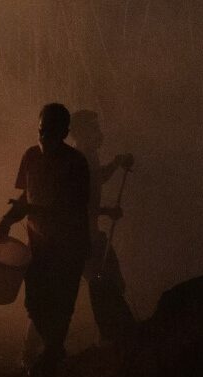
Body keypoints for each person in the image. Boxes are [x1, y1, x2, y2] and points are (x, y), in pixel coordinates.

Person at [0, 104, 90, 377]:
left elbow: (73, 209)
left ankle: (49, 366)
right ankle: (54, 353)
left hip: (69, 246)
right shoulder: (31, 157)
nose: (44, 139)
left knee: (61, 305)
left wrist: (30, 212)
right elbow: (27, 196)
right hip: (39, 245)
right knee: (34, 302)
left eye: (50, 133)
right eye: (41, 132)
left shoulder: (75, 163)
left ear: (64, 133)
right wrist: (7, 219)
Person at [69, 110, 137, 345]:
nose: (99, 133)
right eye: (93, 128)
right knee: (104, 283)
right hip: (81, 236)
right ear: (78, 132)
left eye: (97, 127)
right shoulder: (78, 160)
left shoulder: (89, 156)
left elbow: (97, 179)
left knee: (107, 283)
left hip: (89, 234)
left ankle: (107, 339)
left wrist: (117, 163)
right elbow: (77, 205)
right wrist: (107, 212)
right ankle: (109, 339)